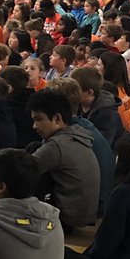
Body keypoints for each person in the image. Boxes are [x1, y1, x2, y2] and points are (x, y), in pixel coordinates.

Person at [28, 89, 100, 231]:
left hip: (65, 220)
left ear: (57, 119)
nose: (34, 126)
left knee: (25, 173)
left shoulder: (56, 146)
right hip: (83, 215)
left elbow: (24, 171)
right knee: (33, 148)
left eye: (38, 119)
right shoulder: (76, 135)